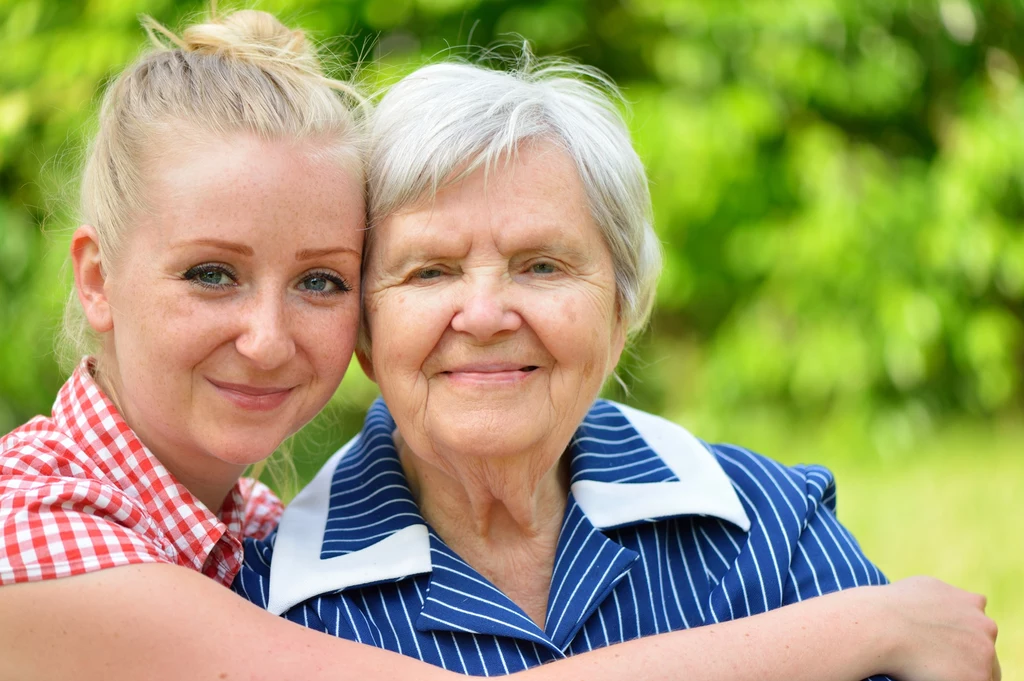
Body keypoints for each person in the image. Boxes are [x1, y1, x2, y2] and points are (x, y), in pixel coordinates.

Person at [0, 8, 997, 681]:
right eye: (428, 271)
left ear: (623, 299)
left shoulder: (244, 532)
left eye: (317, 281)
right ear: (96, 279)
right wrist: (878, 623)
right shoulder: (50, 528)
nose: (266, 337)